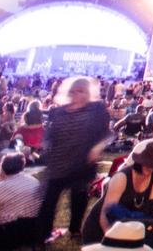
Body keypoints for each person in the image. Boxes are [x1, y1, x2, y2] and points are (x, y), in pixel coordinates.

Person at [37, 76, 112, 242]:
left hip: (81, 164)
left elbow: (108, 134)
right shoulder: (57, 111)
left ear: (88, 93)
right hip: (57, 163)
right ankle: (43, 234)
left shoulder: (97, 110)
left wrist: (97, 147)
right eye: (74, 90)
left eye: (81, 91)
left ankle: (75, 229)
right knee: (49, 202)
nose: (77, 94)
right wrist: (46, 144)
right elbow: (49, 134)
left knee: (78, 199)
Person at [99, 140, 153, 230]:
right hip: (108, 226)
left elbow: (151, 210)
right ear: (140, 161)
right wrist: (110, 238)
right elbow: (105, 213)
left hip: (133, 225)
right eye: (148, 163)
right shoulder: (121, 178)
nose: (150, 168)